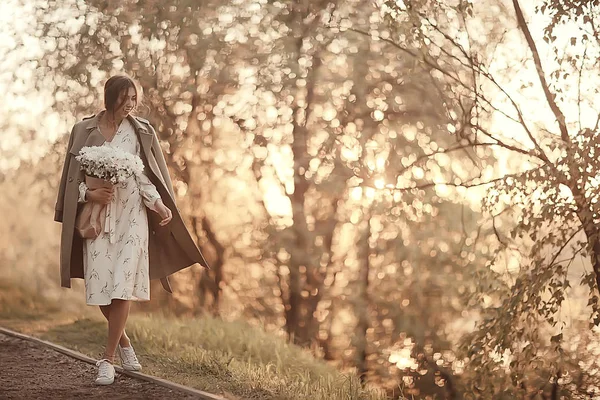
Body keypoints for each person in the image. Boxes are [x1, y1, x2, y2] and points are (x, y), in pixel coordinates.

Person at [54, 74, 210, 385]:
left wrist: (159, 204)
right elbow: (72, 182)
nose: (130, 104)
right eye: (124, 98)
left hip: (132, 219)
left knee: (122, 285)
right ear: (109, 98)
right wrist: (91, 195)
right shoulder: (83, 130)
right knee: (100, 289)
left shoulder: (141, 132)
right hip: (97, 219)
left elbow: (145, 177)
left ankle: (107, 360)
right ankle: (124, 342)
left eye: (133, 98)